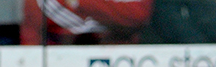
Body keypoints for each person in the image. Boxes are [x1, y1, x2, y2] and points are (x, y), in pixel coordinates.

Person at [20, 0, 153, 44]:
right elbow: (31, 39)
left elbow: (138, 15)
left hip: (125, 64)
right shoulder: (39, 3)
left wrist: (80, 3)